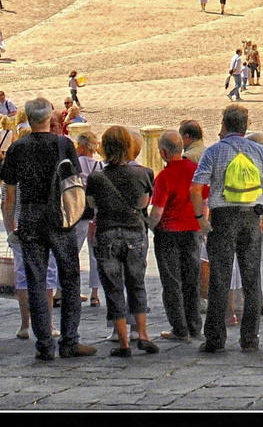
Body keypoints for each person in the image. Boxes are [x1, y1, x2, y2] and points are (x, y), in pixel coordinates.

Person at [0, 97, 95, 361]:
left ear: (28, 119)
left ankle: (43, 343)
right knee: (70, 277)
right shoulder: (64, 144)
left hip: (30, 215)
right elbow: (74, 185)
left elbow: (9, 196)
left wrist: (11, 227)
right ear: (48, 117)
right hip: (59, 215)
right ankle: (69, 340)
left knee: (36, 281)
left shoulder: (17, 148)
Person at [192, 103, 263, 353]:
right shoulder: (260, 151)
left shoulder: (214, 152)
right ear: (246, 127)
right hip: (251, 217)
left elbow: (196, 186)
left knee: (220, 277)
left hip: (223, 217)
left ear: (224, 125)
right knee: (251, 278)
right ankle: (250, 338)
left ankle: (215, 338)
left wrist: (200, 218)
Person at [86, 125, 159, 356]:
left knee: (113, 287)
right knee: (137, 283)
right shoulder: (144, 174)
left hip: (107, 232)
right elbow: (144, 203)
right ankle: (143, 334)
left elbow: (91, 205)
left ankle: (123, 342)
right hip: (134, 232)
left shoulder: (96, 177)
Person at [148, 130, 201, 341]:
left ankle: (179, 328)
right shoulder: (195, 170)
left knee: (172, 283)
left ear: (163, 152)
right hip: (192, 231)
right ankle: (195, 326)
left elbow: (157, 211)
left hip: (169, 233)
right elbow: (203, 204)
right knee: (191, 280)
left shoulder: (164, 176)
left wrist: (151, 226)